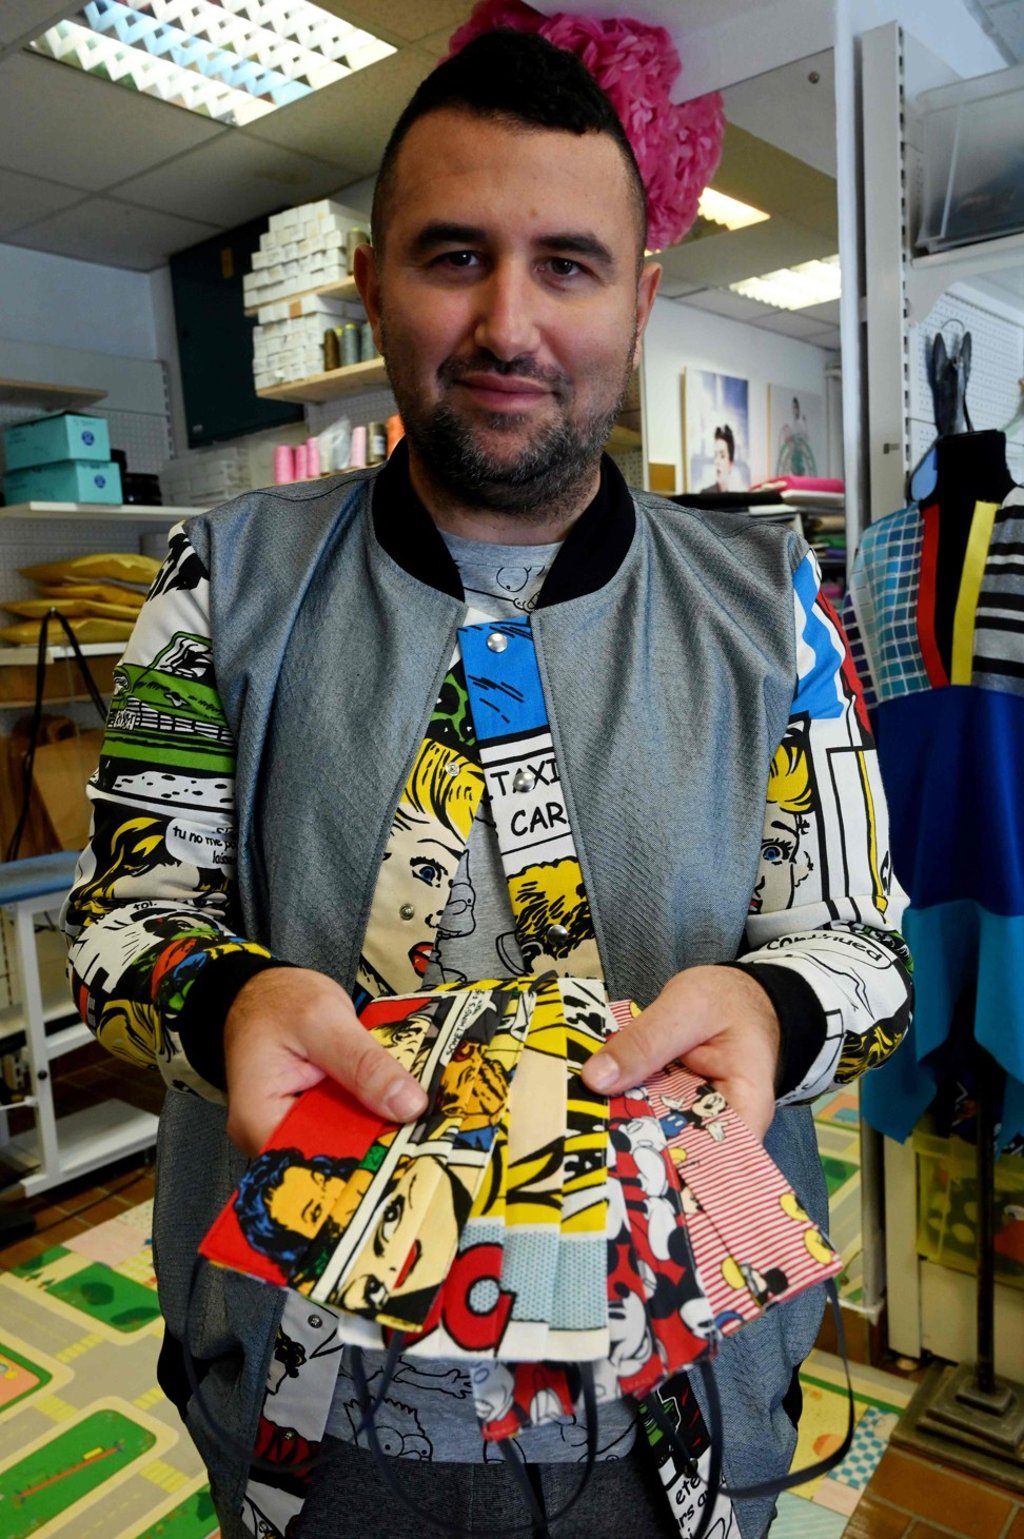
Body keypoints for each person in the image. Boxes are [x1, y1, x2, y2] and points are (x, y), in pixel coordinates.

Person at [62, 28, 912, 1539]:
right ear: (378, 278)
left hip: (684, 1396)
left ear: (642, 300)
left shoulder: (773, 604)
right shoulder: (219, 580)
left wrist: (777, 1011)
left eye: (570, 265)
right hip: (312, 1408)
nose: (508, 320)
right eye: (456, 256)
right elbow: (129, 915)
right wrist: (225, 999)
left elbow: (865, 948)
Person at [701, 424, 744, 493]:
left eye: (722, 456)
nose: (717, 461)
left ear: (731, 463)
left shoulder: (739, 498)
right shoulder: (705, 495)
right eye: (715, 455)